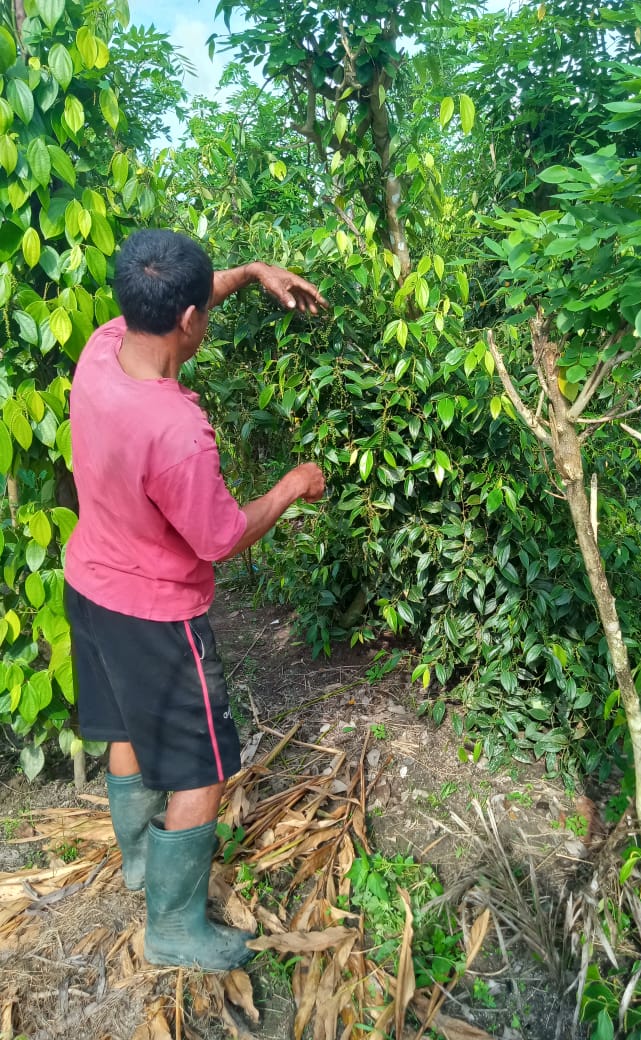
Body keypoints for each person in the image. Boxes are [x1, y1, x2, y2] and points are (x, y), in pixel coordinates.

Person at [64, 228, 327, 971]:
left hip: (91, 587)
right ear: (187, 323)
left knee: (124, 728)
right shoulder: (174, 429)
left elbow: (178, 300)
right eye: (202, 308)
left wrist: (249, 272)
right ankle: (173, 929)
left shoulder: (101, 348)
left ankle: (142, 865)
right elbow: (219, 537)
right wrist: (292, 486)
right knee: (201, 772)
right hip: (155, 617)